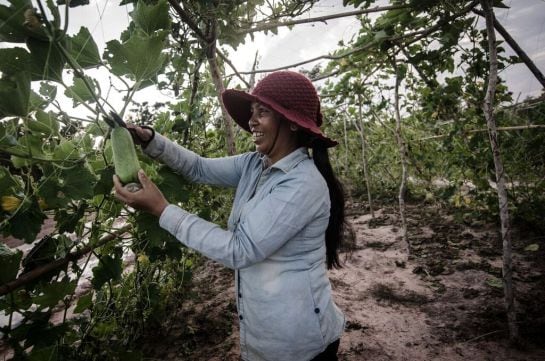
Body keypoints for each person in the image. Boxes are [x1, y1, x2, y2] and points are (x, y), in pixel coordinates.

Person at [113, 71, 347, 361]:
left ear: (292, 123)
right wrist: (150, 140)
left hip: (299, 343)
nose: (252, 121)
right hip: (265, 336)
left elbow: (240, 250)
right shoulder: (254, 164)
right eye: (252, 112)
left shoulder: (303, 184)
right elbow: (198, 168)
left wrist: (162, 210)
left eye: (263, 112)